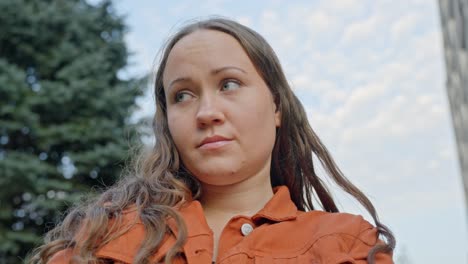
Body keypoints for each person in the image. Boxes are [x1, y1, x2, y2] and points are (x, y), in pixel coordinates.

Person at [30, 18, 395, 264]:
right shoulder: (105, 234)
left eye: (229, 84)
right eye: (183, 95)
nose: (206, 112)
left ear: (277, 105)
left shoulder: (348, 245)